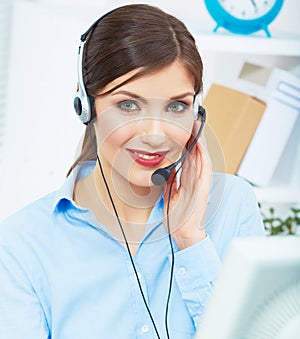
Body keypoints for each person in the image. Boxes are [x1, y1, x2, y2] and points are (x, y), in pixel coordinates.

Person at [0, 4, 265, 339]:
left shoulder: (233, 207)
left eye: (176, 106)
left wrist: (191, 241)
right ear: (86, 106)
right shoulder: (20, 246)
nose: (155, 134)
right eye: (128, 105)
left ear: (197, 114)